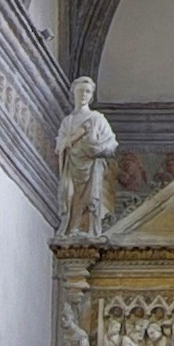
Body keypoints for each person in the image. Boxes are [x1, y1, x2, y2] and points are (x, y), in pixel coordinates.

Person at [54, 76, 120, 239]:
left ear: (91, 96)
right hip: (72, 166)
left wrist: (95, 149)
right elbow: (59, 144)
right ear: (73, 93)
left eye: (88, 92)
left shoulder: (97, 119)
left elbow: (112, 144)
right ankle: (70, 228)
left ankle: (86, 230)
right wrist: (67, 143)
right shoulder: (68, 121)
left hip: (91, 168)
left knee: (90, 199)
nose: (84, 94)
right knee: (69, 195)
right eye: (81, 91)